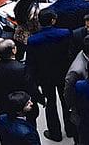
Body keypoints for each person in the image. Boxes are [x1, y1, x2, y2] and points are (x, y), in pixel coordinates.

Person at [25, 8, 73, 141]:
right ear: (53, 20)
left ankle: (55, 133)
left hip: (45, 77)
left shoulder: (33, 40)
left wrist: (34, 82)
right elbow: (70, 53)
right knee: (66, 101)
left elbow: (31, 63)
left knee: (50, 104)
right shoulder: (64, 33)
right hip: (63, 73)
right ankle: (70, 129)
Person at [0, 40, 40, 124]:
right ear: (13, 50)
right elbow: (31, 88)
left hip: (4, 107)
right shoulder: (21, 68)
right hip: (23, 106)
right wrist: (39, 99)